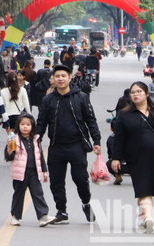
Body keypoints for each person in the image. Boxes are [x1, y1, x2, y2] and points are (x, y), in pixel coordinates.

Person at [36, 65, 102, 225]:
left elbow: (91, 120)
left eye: (63, 76)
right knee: (56, 181)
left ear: (70, 77)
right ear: (53, 79)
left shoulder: (81, 97)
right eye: (57, 76)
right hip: (56, 146)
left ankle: (86, 203)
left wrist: (96, 140)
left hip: (76, 146)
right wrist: (36, 139)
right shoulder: (48, 100)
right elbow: (41, 122)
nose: (60, 79)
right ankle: (62, 211)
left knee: (80, 178)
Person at [111, 81, 154, 234]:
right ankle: (148, 217)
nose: (135, 94)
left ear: (147, 94)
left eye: (139, 91)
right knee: (144, 188)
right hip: (135, 157)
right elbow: (119, 138)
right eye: (133, 92)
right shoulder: (124, 114)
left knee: (146, 188)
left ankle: (142, 217)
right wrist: (116, 158)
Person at [4, 114, 56, 227]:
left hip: (34, 172)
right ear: (18, 125)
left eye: (28, 125)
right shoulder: (14, 138)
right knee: (19, 195)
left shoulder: (36, 139)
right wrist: (9, 148)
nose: (25, 127)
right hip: (20, 173)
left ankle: (43, 216)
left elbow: (40, 155)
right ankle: (15, 217)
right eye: (22, 124)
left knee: (38, 193)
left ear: (32, 126)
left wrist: (44, 171)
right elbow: (9, 157)